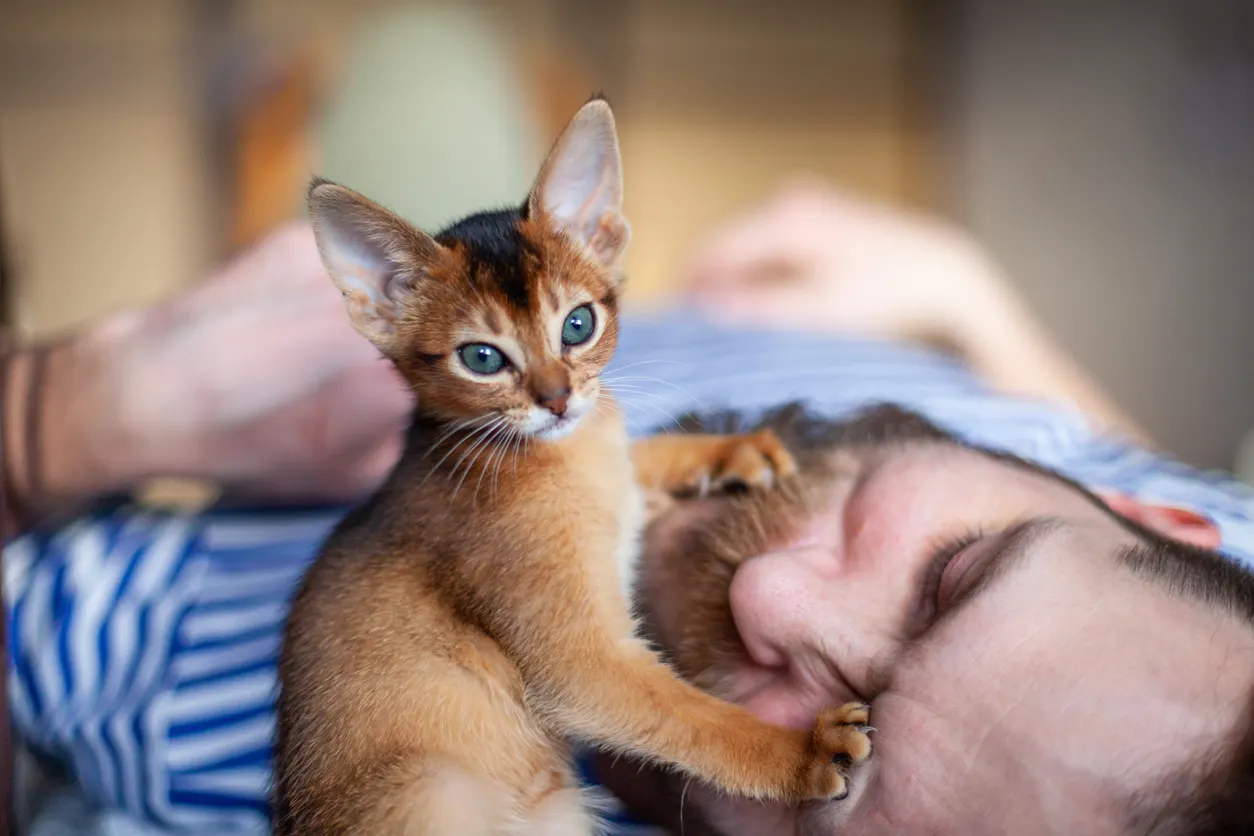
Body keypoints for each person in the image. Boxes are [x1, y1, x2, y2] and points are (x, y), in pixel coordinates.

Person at [3, 182, 1252, 835]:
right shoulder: (1209, 568)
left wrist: (61, 415)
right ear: (1167, 520)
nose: (774, 594)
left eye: (840, 771)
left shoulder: (150, 684)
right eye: (957, 573)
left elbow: (582, 665)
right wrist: (967, 290)